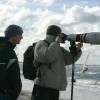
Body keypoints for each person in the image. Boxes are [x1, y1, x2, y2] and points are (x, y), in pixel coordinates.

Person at [32, 25, 83, 100]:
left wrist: (77, 50)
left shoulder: (58, 48)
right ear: (56, 35)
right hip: (43, 87)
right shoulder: (41, 44)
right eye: (60, 36)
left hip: (55, 87)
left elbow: (70, 59)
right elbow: (48, 57)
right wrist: (56, 42)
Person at [0, 24, 23, 100]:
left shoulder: (9, 50)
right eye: (20, 35)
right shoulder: (4, 50)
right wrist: (7, 91)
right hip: (5, 95)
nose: (22, 37)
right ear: (13, 35)